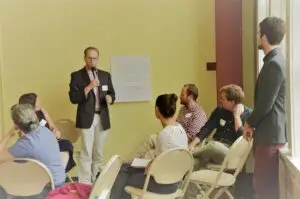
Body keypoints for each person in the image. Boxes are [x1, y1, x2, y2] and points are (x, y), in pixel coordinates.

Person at [110, 93, 188, 199]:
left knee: (124, 174)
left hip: (163, 184)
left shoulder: (163, 135)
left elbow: (154, 169)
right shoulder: (181, 129)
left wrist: (145, 166)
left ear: (157, 110)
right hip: (177, 183)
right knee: (126, 168)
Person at [243, 17, 286, 199]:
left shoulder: (274, 64)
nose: (257, 37)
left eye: (259, 33)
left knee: (264, 189)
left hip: (270, 136)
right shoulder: (275, 60)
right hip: (269, 134)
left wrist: (249, 123)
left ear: (264, 36)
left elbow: (265, 105)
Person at [69, 46, 115, 184]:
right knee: (86, 152)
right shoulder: (76, 76)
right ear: (84, 58)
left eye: (95, 58)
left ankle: (96, 181)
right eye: (89, 58)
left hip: (102, 117)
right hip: (87, 117)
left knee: (99, 153)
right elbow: (73, 98)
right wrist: (89, 86)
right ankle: (85, 183)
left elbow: (112, 93)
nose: (92, 60)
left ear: (98, 59)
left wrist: (110, 99)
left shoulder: (105, 75)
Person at [0, 104, 65, 198]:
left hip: (47, 190)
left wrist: (9, 134)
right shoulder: (45, 130)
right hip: (59, 183)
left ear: (16, 124)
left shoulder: (26, 143)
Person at [131, 84, 206, 159]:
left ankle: (131, 165)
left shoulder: (199, 113)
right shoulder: (183, 110)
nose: (180, 96)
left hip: (183, 144)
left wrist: (167, 136)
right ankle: (130, 162)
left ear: (190, 97)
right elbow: (174, 124)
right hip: (174, 136)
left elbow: (191, 138)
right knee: (150, 139)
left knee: (150, 153)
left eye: (182, 94)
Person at [189, 84, 252, 167]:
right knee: (193, 162)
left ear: (232, 102)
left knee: (213, 146)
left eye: (222, 99)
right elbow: (207, 128)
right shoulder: (219, 111)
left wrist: (236, 116)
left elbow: (243, 139)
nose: (220, 101)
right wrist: (192, 144)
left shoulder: (249, 114)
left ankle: (190, 154)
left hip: (230, 151)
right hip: (213, 148)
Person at [19, 93, 76, 173]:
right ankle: (53, 173)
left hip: (50, 143)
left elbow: (52, 126)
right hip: (38, 148)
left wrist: (56, 131)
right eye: (37, 101)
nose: (39, 102)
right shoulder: (23, 119)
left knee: (66, 144)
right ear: (30, 105)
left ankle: (58, 172)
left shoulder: (42, 112)